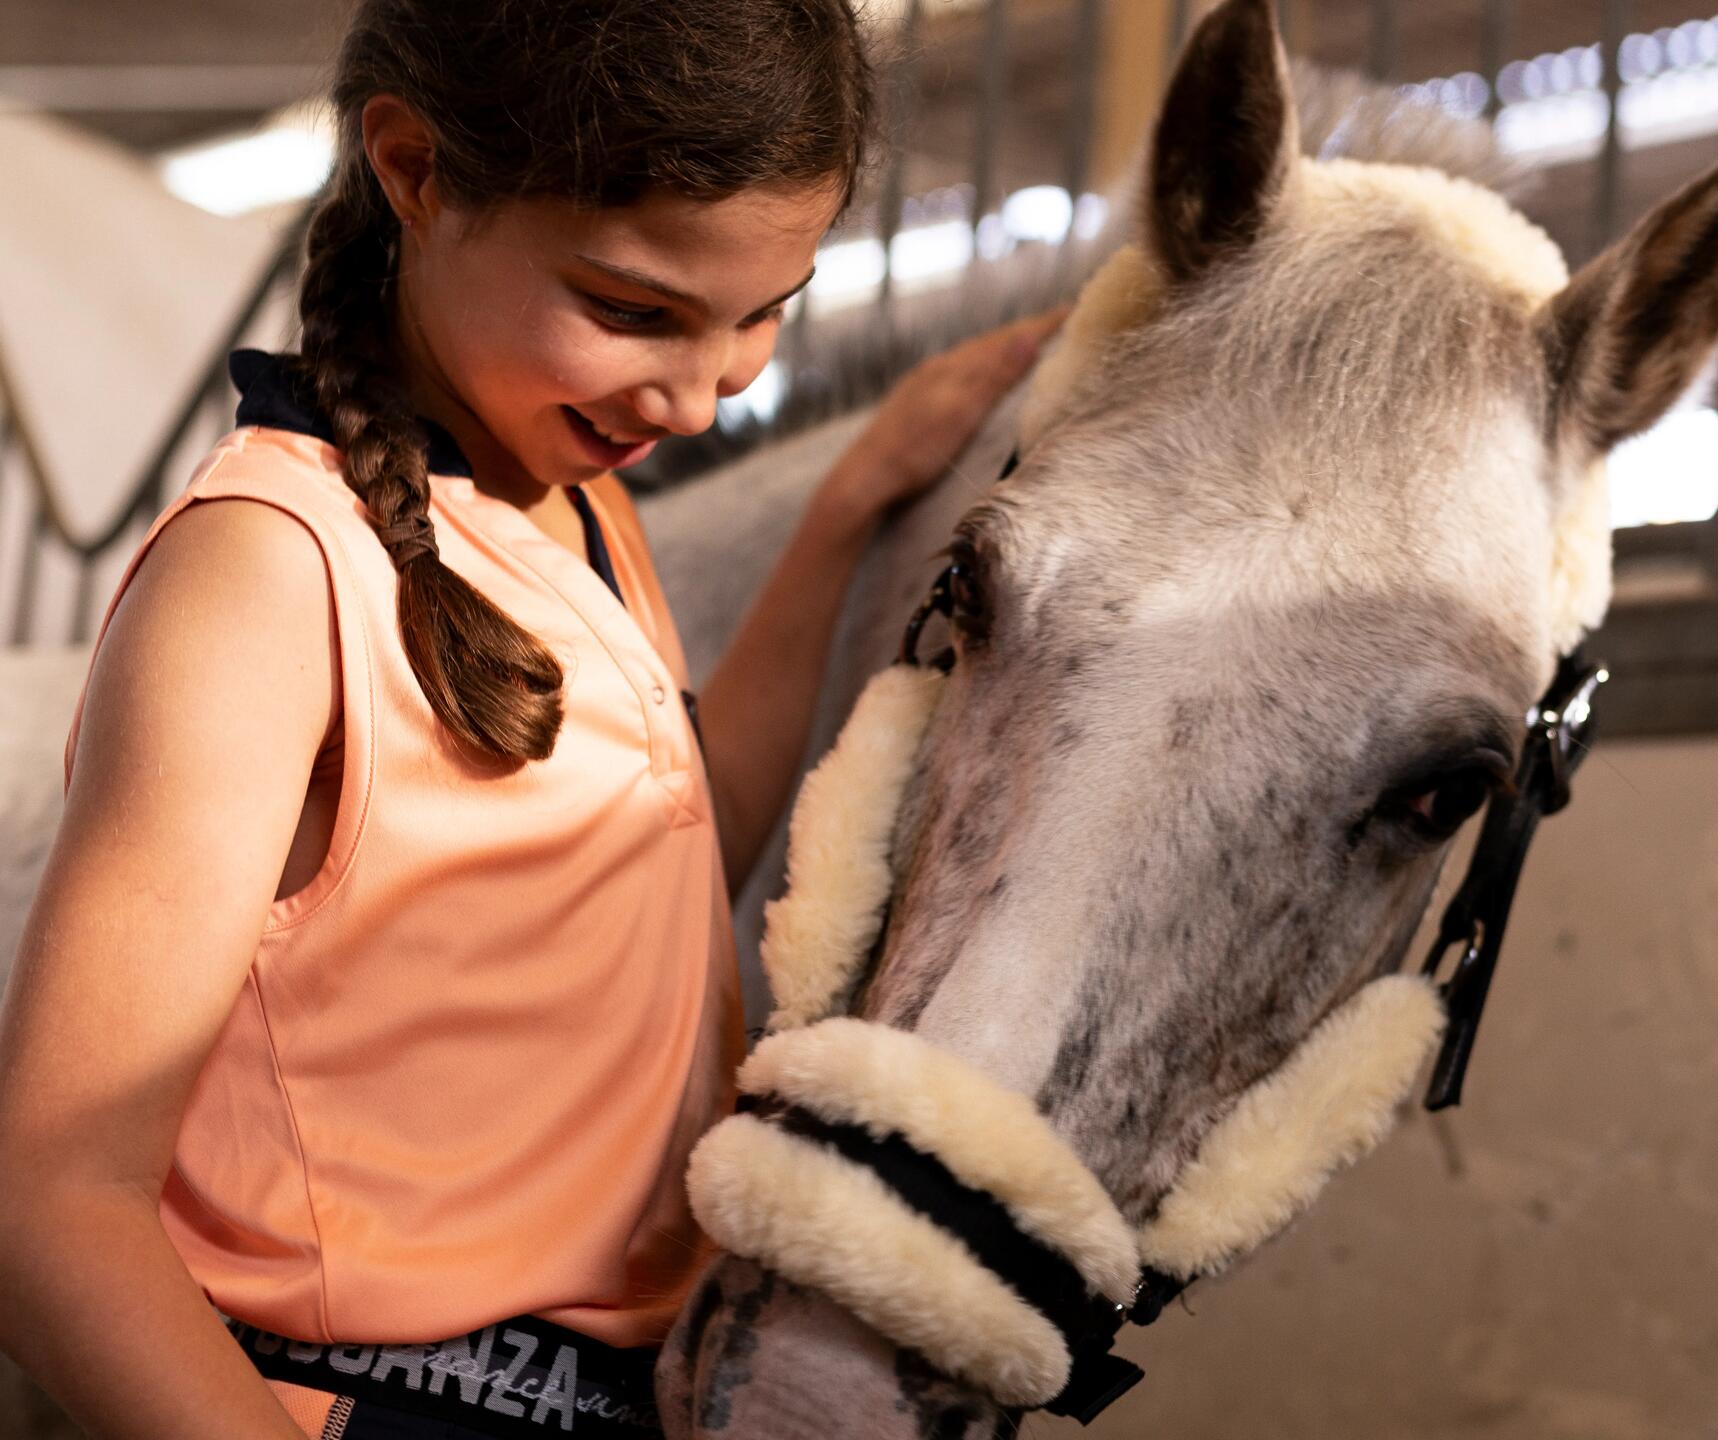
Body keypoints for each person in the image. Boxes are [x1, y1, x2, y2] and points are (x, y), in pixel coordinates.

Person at [0, 2, 1060, 1436]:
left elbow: (656, 876)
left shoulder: (571, 508)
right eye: (632, 310)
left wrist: (849, 509)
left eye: (764, 313)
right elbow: (53, 1197)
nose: (697, 395)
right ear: (416, 170)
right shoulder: (268, 570)